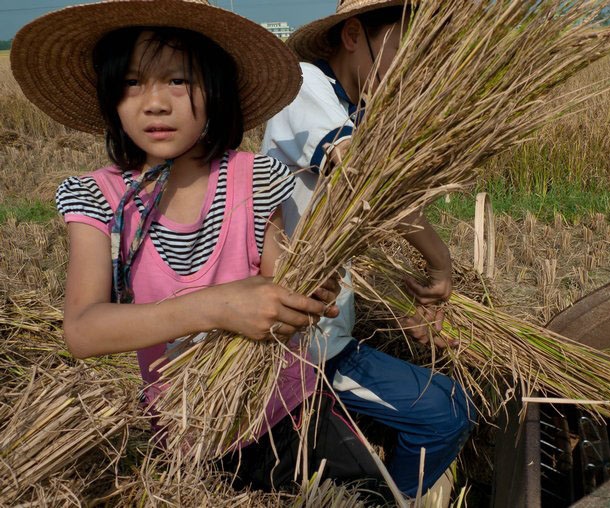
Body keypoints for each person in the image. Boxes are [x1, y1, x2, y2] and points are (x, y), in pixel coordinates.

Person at [10, 0, 367, 493]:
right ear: (111, 97)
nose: (155, 103)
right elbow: (83, 330)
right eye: (132, 83)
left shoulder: (255, 179)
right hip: (191, 434)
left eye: (178, 81)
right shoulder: (100, 200)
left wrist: (306, 294)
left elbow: (282, 280)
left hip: (290, 410)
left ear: (217, 90)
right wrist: (218, 306)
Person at [263, 0, 475, 500]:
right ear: (354, 34)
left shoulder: (353, 108)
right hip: (300, 353)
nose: (414, 70)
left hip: (327, 332)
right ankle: (382, 500)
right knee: (445, 414)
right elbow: (364, 179)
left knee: (447, 398)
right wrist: (439, 260)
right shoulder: (304, 86)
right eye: (407, 48)